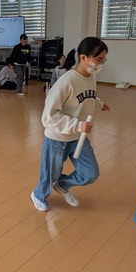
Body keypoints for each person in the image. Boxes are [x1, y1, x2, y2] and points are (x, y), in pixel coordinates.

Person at [30, 37, 110, 212]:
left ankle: (62, 185)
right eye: (98, 59)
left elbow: (87, 95)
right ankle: (38, 194)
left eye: (103, 60)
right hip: (57, 138)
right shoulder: (67, 81)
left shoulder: (92, 77)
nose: (101, 64)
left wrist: (99, 103)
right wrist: (77, 124)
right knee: (50, 174)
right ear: (83, 58)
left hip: (78, 136)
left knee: (90, 173)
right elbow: (49, 116)